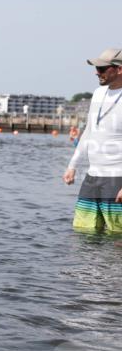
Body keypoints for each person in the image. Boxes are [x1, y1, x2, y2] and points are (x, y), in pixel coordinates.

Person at [62, 47, 122, 234]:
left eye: (102, 69)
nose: (97, 72)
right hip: (92, 177)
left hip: (117, 179)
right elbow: (89, 131)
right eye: (97, 68)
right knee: (82, 233)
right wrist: (72, 165)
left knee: (117, 237)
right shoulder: (97, 94)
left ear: (119, 69)